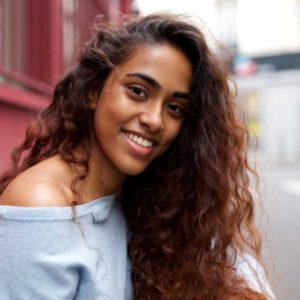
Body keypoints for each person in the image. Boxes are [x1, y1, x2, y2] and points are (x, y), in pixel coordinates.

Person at [0, 13, 274, 300]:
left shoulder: (141, 196)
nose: (155, 120)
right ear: (94, 90)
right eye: (138, 91)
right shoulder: (41, 206)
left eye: (175, 108)